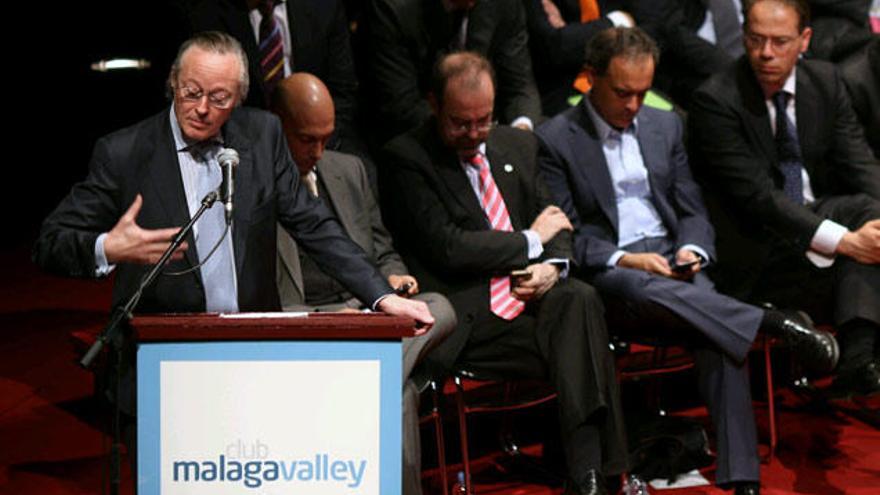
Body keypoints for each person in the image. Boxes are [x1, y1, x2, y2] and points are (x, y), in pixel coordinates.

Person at [33, 31, 433, 423]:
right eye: (191, 92)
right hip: (165, 358)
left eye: (219, 98)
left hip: (251, 353)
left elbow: (313, 224)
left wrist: (380, 295)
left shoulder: (261, 135)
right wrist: (108, 248)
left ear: (238, 99)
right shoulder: (124, 153)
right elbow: (51, 243)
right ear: (172, 83)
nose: (202, 108)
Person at [537, 26, 839, 495]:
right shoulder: (555, 138)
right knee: (649, 288)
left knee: (718, 329)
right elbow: (567, 235)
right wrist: (629, 259)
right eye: (623, 93)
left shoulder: (665, 125)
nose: (635, 105)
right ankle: (770, 323)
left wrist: (692, 248)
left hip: (671, 262)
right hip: (616, 276)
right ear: (590, 78)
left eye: (643, 92)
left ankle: (743, 480)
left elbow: (692, 207)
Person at [382, 51, 627, 495]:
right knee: (584, 340)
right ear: (434, 103)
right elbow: (448, 246)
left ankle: (587, 478)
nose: (475, 134)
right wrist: (530, 242)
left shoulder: (516, 145)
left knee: (579, 298)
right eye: (461, 123)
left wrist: (551, 268)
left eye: (484, 121)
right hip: (470, 318)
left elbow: (558, 223)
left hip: (533, 308)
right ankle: (600, 476)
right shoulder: (407, 158)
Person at [271, 72, 456, 495]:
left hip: (371, 314)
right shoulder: (258, 184)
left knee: (439, 307)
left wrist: (393, 276)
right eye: (306, 139)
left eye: (326, 138)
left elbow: (381, 248)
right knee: (402, 392)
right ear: (275, 123)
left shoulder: (349, 169)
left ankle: (372, 369)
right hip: (309, 319)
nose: (318, 152)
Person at [689, 0, 880, 398]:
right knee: (862, 223)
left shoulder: (824, 81)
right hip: (759, 252)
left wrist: (850, 240)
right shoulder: (716, 99)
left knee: (870, 217)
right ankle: (859, 355)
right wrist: (845, 241)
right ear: (744, 36)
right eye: (756, 40)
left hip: (821, 234)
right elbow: (759, 199)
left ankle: (858, 359)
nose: (765, 53)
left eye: (779, 41)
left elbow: (861, 164)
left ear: (804, 40)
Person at [363, 0, 542, 144]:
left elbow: (520, 85)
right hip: (419, 136)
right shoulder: (395, 9)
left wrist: (520, 131)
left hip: (486, 129)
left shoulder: (502, 4)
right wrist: (469, 130)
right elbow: (401, 105)